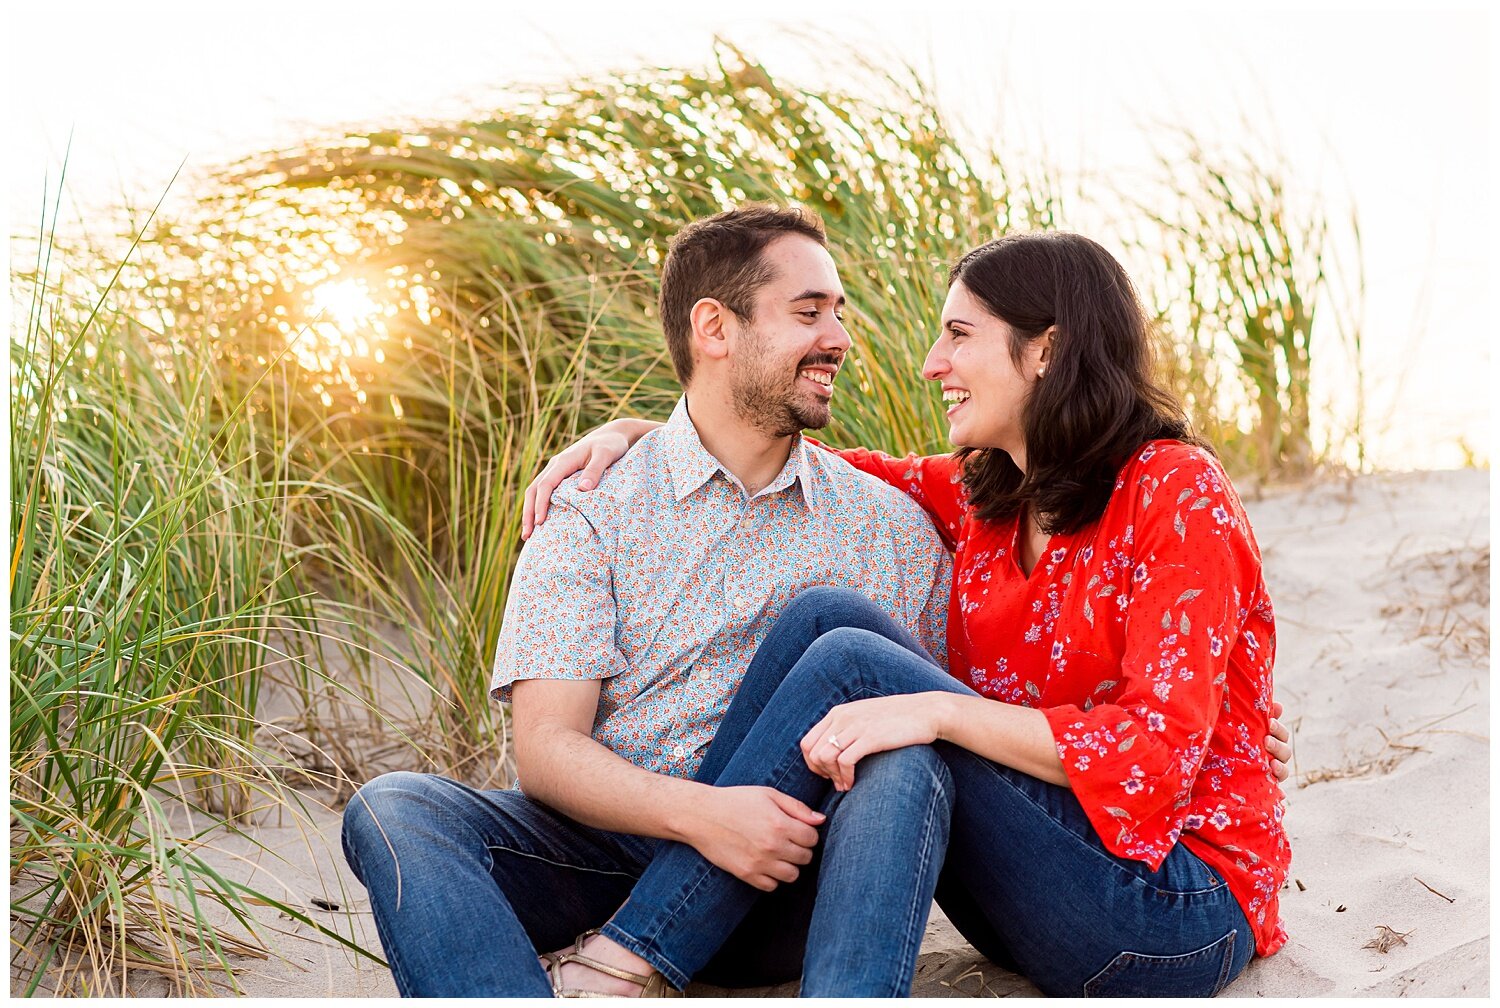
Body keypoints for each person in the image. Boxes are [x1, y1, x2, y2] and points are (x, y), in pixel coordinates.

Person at [524, 228, 1292, 996]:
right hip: (1029, 892)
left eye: (960, 335)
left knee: (849, 655)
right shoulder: (986, 495)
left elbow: (1155, 754)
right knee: (826, 624)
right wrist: (636, 438)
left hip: (1169, 906)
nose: (933, 364)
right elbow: (780, 451)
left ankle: (628, 959)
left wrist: (938, 713)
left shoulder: (1176, 490)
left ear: (1047, 350)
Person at [340, 205, 963, 997]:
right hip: (603, 857)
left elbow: (936, 736)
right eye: (809, 313)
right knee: (395, 808)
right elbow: (548, 751)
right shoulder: (593, 509)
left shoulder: (890, 529)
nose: (838, 337)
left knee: (895, 741)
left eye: (838, 312)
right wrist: (703, 816)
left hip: (787, 878)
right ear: (714, 327)